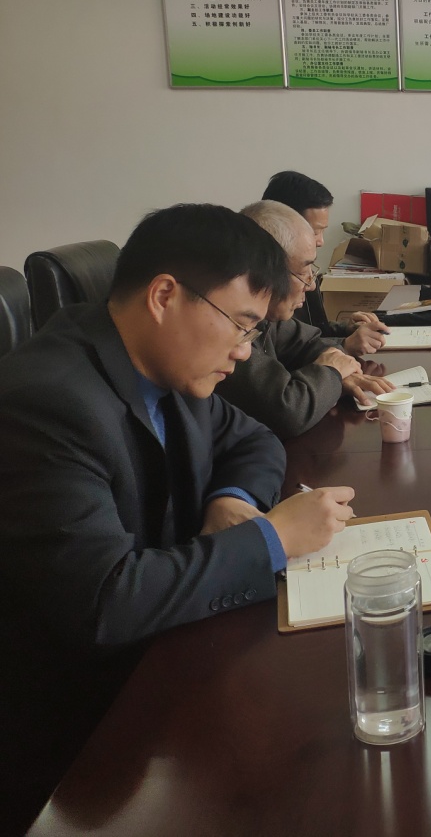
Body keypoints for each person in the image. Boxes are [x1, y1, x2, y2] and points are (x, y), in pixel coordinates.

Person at [0, 204, 355, 832]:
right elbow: (104, 602)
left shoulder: (164, 367)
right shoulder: (48, 402)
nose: (244, 352)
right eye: (241, 326)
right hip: (82, 736)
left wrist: (232, 499)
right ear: (165, 296)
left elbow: (255, 440)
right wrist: (271, 538)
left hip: (167, 649)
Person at [217, 200, 396, 438]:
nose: (311, 285)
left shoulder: (270, 319)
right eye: (303, 272)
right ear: (266, 269)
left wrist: (335, 376)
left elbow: (310, 344)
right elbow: (286, 412)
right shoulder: (228, 329)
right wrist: (331, 374)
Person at [262, 169, 389, 355]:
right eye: (315, 232)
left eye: (323, 231)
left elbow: (310, 331)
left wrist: (345, 329)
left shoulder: (304, 270)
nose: (321, 241)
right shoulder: (268, 282)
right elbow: (287, 351)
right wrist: (344, 345)